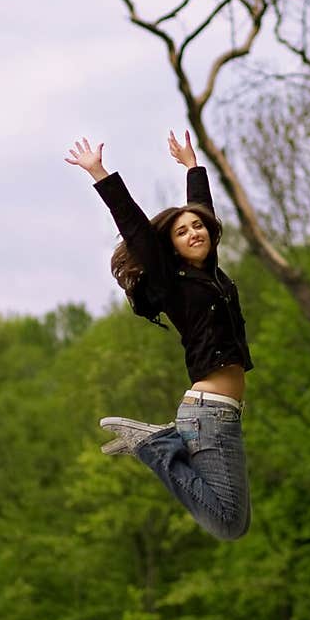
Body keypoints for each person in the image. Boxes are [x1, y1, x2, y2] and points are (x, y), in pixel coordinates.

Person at [64, 129, 252, 541]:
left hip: (223, 415)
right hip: (207, 414)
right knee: (227, 524)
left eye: (197, 227)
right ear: (172, 249)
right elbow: (136, 231)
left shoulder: (212, 276)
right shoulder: (172, 282)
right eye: (182, 232)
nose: (193, 232)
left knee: (234, 522)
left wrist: (192, 166)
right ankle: (156, 446)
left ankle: (159, 445)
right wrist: (99, 173)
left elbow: (202, 210)